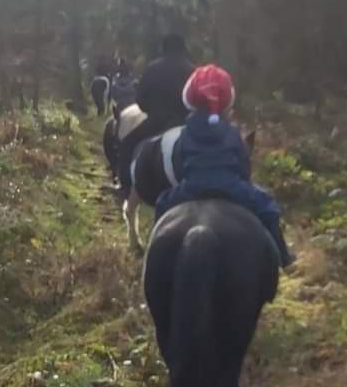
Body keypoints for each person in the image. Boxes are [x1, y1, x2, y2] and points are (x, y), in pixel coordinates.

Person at [154, 64, 295, 269]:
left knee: (161, 205)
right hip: (232, 187)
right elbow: (243, 166)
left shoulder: (185, 133)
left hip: (192, 187)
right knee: (268, 208)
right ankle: (283, 256)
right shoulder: (231, 132)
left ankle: (155, 258)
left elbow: (178, 163)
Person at [116, 34, 195, 195]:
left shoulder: (153, 68)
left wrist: (152, 111)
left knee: (128, 144)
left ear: (164, 48)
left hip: (157, 121)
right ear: (183, 48)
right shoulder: (192, 70)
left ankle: (126, 187)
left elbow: (140, 98)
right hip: (186, 122)